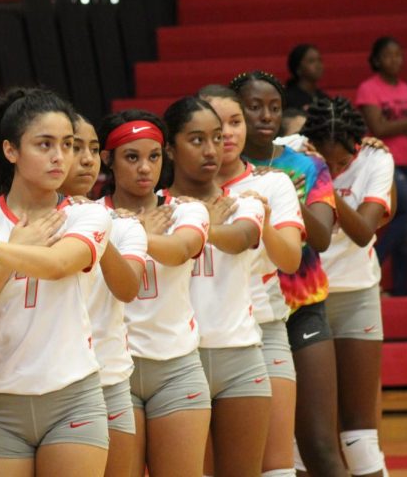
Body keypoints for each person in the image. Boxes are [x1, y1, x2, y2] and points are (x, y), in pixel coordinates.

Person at [0, 87, 112, 477]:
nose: (60, 157)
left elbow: (59, 264)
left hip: (73, 398)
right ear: (11, 151)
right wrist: (12, 246)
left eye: (68, 145)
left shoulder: (87, 216)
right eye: (44, 144)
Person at [229, 71, 344, 477]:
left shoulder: (306, 163)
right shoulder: (220, 168)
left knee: (318, 441)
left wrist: (281, 191)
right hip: (240, 316)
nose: (266, 116)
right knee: (261, 454)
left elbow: (322, 237)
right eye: (253, 107)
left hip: (302, 309)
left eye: (274, 108)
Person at [160, 96, 271, 477]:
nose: (212, 150)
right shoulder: (152, 209)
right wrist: (200, 217)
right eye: (196, 140)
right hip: (174, 363)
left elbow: (241, 238)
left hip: (240, 357)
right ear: (169, 149)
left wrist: (196, 220)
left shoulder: (246, 203)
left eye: (217, 137)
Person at [97, 108, 211, 477]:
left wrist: (133, 231)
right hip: (113, 372)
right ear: (107, 160)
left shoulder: (187, 210)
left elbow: (181, 250)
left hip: (176, 367)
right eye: (132, 157)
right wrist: (132, 228)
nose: (145, 168)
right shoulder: (89, 216)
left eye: (154, 157)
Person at [201, 86, 304, 477]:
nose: (227, 134)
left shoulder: (272, 184)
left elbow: (291, 260)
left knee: (276, 467)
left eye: (234, 122)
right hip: (200, 339)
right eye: (215, 126)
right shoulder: (173, 191)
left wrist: (260, 222)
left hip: (265, 328)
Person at [303, 97, 394, 477]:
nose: (338, 169)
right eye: (329, 162)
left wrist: (325, 184)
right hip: (306, 298)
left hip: (357, 293)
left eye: (344, 162)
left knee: (359, 435)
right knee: (305, 435)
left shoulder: (376, 159)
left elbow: (362, 232)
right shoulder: (292, 154)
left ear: (358, 144)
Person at [58, 115, 144, 477]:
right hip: (42, 387)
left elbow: (128, 290)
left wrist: (98, 226)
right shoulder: (20, 222)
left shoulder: (122, 222)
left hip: (108, 379)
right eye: (76, 148)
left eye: (94, 149)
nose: (88, 159)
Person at [356, 37, 407, 296]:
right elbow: (378, 128)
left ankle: (401, 291)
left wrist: (398, 125)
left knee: (406, 233)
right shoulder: (369, 89)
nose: (394, 60)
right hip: (386, 163)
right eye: (388, 55)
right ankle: (369, 265)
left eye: (398, 54)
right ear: (376, 60)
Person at [283, 45, 328, 112]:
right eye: (311, 61)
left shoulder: (324, 98)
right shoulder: (287, 99)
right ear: (298, 69)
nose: (318, 65)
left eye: (319, 60)